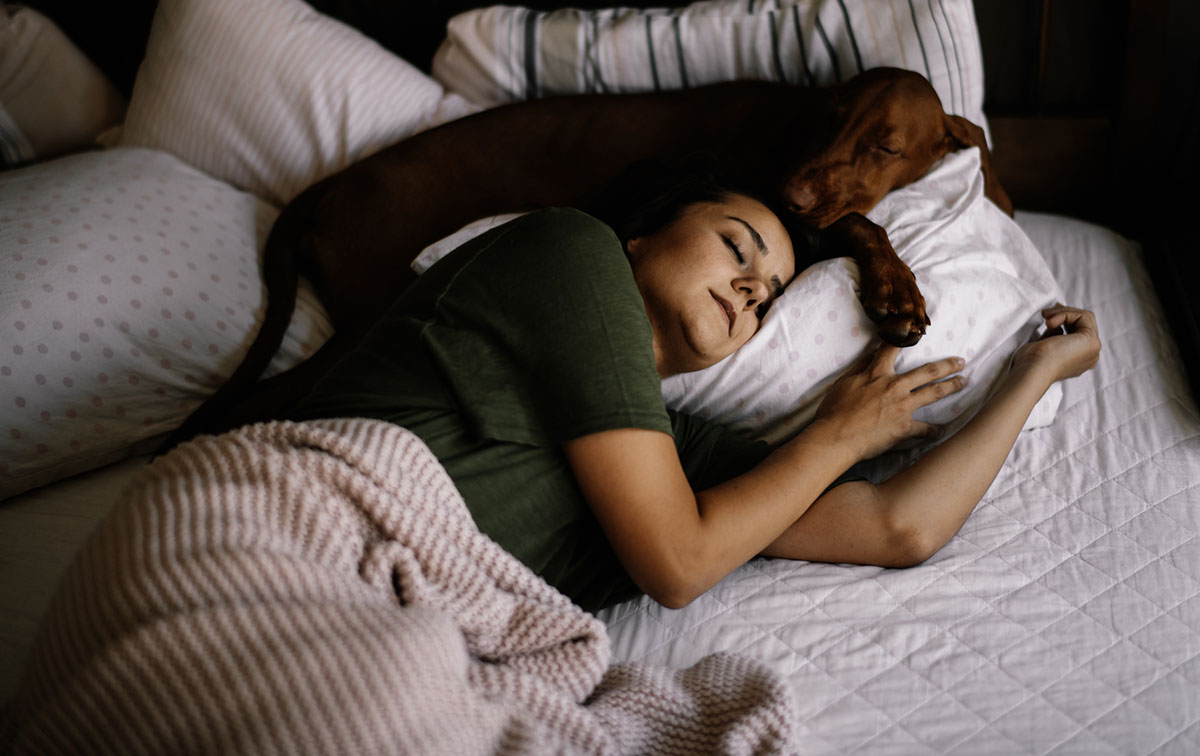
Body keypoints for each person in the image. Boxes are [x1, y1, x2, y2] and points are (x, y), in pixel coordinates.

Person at [291, 171, 1100, 613]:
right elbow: (679, 564)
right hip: (297, 532)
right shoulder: (570, 249)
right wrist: (837, 439)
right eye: (734, 246)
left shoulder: (677, 460)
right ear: (642, 236)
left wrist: (1033, 375)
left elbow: (901, 527)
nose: (753, 289)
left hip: (394, 628)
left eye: (770, 297)